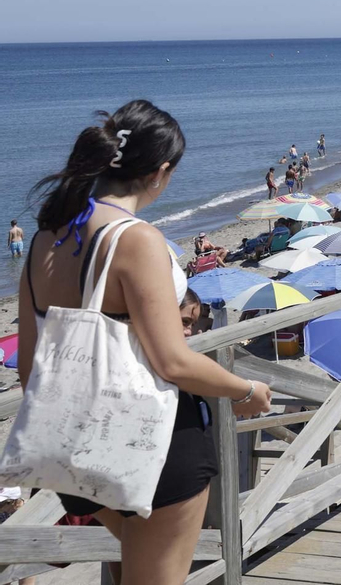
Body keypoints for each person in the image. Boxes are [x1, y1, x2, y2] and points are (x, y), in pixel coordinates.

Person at [15, 101, 271, 583]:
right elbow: (173, 361)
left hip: (73, 449)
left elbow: (30, 368)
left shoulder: (44, 239)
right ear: (161, 172)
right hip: (155, 446)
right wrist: (245, 391)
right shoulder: (136, 239)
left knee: (133, 561)